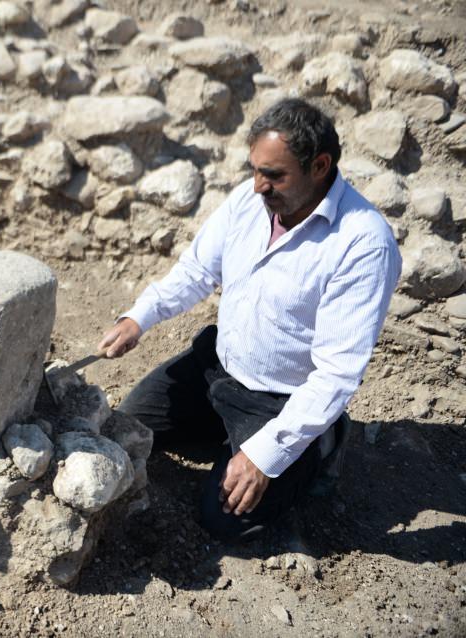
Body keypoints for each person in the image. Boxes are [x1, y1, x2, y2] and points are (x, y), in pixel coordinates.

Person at [98, 99, 402, 542]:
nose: (258, 185)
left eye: (275, 175)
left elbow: (337, 374)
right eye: (255, 169)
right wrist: (139, 317)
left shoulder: (362, 245)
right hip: (216, 367)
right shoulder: (251, 199)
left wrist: (263, 456)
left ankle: (322, 443)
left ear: (320, 166)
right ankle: (227, 435)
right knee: (128, 427)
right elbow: (198, 270)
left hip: (279, 398)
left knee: (227, 522)